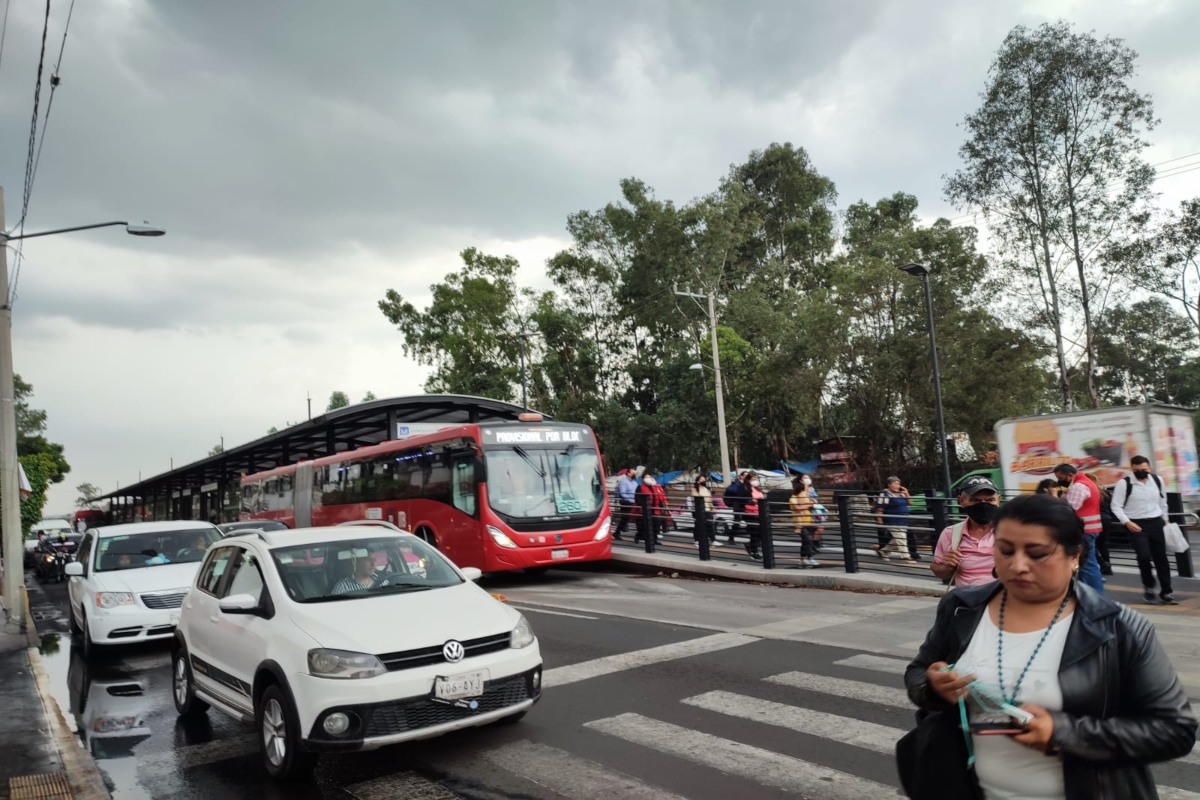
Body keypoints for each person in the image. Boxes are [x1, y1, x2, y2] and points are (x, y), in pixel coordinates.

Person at [903, 494, 1196, 800]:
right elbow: (918, 672)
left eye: (1037, 553)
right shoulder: (962, 607)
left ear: (1074, 556)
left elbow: (1174, 731)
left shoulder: (1119, 628)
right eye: (1005, 550)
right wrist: (933, 687)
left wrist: (1064, 732)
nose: (1017, 565)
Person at [1111, 456, 1176, 605]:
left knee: (1161, 558)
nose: (1141, 472)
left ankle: (1167, 591)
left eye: (1144, 470)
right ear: (1132, 469)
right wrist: (1126, 522)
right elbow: (1116, 505)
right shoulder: (1124, 484)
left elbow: (1163, 502)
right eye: (1137, 470)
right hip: (1136, 524)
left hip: (1156, 522)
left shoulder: (1157, 481)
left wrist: (1165, 520)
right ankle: (1149, 586)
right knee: (1144, 556)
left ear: (1150, 468)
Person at [930, 476, 999, 587]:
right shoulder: (951, 534)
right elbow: (938, 569)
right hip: (968, 601)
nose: (983, 505)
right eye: (975, 500)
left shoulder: (1010, 533)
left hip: (1003, 601)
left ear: (998, 500)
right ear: (961, 501)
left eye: (990, 500)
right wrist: (947, 566)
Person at [1053, 464, 1104, 594]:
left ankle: (1094, 596)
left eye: (1061, 477)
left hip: (1084, 530)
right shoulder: (1087, 483)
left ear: (1069, 475)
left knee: (1086, 565)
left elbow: (1070, 509)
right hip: (1092, 528)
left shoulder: (1078, 486)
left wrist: (1054, 500)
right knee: (1087, 563)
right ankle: (1092, 594)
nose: (1060, 480)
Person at [875, 477, 915, 564]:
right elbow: (880, 507)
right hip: (892, 519)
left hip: (903, 519)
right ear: (889, 484)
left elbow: (910, 503)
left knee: (898, 538)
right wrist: (879, 518)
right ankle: (906, 557)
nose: (897, 486)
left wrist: (906, 493)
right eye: (895, 484)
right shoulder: (885, 493)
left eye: (898, 484)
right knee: (901, 538)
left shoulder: (901, 493)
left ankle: (884, 551)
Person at [789, 478, 820, 568]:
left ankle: (802, 560)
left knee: (805, 541)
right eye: (806, 489)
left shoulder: (806, 496)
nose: (807, 491)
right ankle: (811, 558)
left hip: (808, 521)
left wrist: (810, 502)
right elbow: (798, 508)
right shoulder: (793, 498)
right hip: (800, 522)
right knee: (808, 539)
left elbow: (814, 502)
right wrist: (809, 504)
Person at [634, 474, 669, 543]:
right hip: (645, 509)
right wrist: (643, 505)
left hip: (655, 509)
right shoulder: (640, 487)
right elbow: (638, 498)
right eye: (646, 477)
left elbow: (659, 496)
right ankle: (638, 536)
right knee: (645, 525)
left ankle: (654, 539)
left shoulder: (654, 487)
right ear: (643, 479)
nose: (649, 478)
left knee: (656, 524)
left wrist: (662, 505)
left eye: (649, 477)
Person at [742, 471, 764, 560]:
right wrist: (753, 501)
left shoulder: (757, 488)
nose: (755, 480)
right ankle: (754, 552)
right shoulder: (745, 488)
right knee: (754, 533)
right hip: (750, 513)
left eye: (756, 478)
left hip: (759, 512)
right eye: (753, 479)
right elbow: (744, 500)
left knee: (760, 533)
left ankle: (750, 545)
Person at [614, 468, 639, 541]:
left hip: (634, 502)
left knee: (634, 517)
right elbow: (623, 493)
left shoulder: (635, 482)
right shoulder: (624, 482)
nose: (635, 474)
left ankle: (639, 533)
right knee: (625, 518)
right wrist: (631, 500)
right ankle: (617, 532)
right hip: (626, 502)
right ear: (628, 473)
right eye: (633, 473)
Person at [691, 474, 715, 546]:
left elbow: (710, 499)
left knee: (710, 524)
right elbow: (695, 497)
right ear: (698, 481)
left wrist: (712, 508)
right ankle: (697, 540)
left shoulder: (706, 489)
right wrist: (698, 486)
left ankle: (713, 539)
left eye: (704, 480)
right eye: (701, 480)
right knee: (698, 525)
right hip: (698, 509)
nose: (703, 481)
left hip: (707, 509)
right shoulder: (694, 489)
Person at [725, 471, 749, 543]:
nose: (747, 477)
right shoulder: (737, 484)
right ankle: (731, 538)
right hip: (738, 505)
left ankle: (754, 540)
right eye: (745, 476)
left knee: (749, 522)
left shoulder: (747, 484)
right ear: (741, 476)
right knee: (737, 522)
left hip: (745, 505)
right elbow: (732, 491)